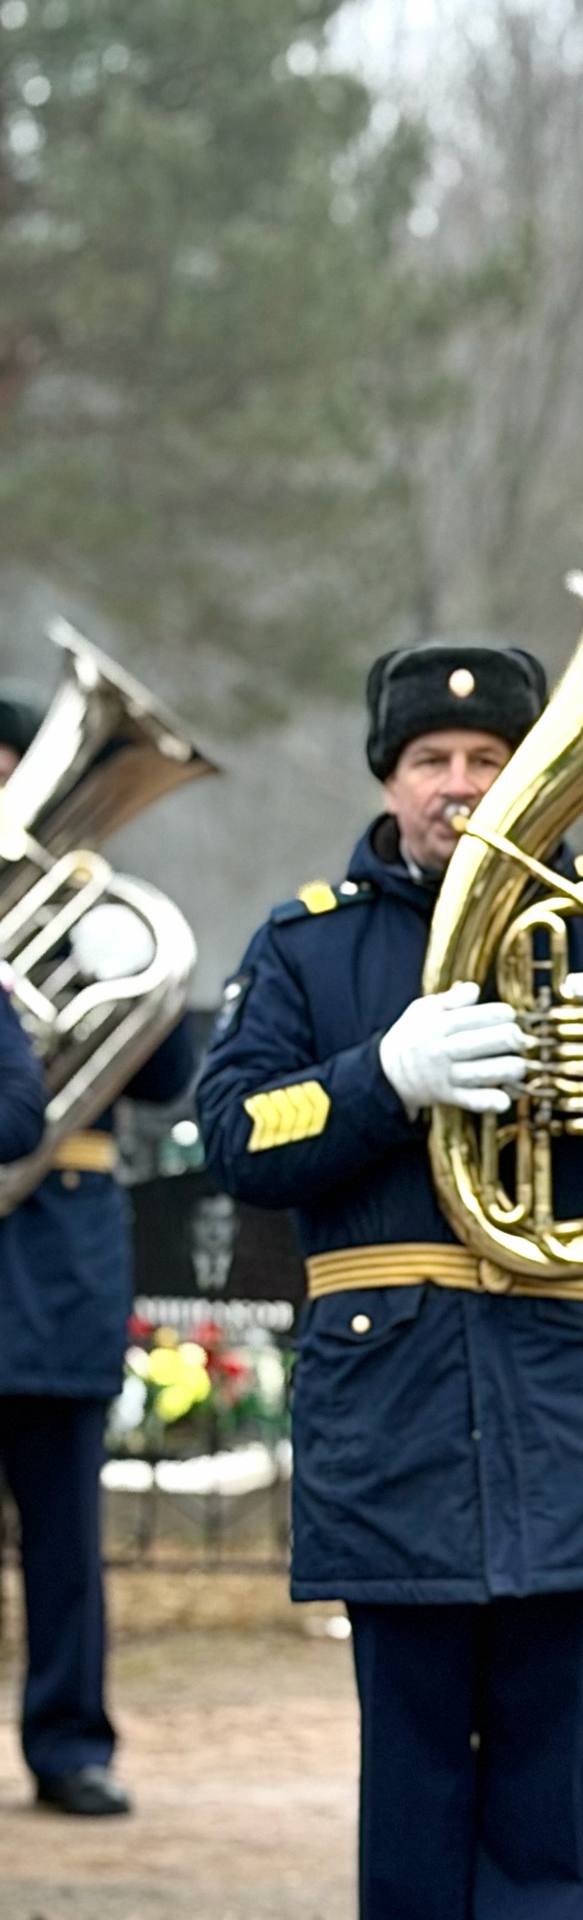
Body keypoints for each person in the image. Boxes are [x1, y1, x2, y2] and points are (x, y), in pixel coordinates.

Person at [195, 643, 583, 1920]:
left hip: (575, 1401)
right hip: (392, 1406)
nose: (459, 784)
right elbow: (233, 1134)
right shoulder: (308, 941)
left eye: (489, 760)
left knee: (558, 1799)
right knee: (413, 1787)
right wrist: (380, 1079)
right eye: (430, 760)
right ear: (388, 779)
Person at [0, 701, 115, 1813]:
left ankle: (71, 1742)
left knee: (65, 1539)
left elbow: (167, 1068)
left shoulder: (88, 909)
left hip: (61, 1258)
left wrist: (89, 951)